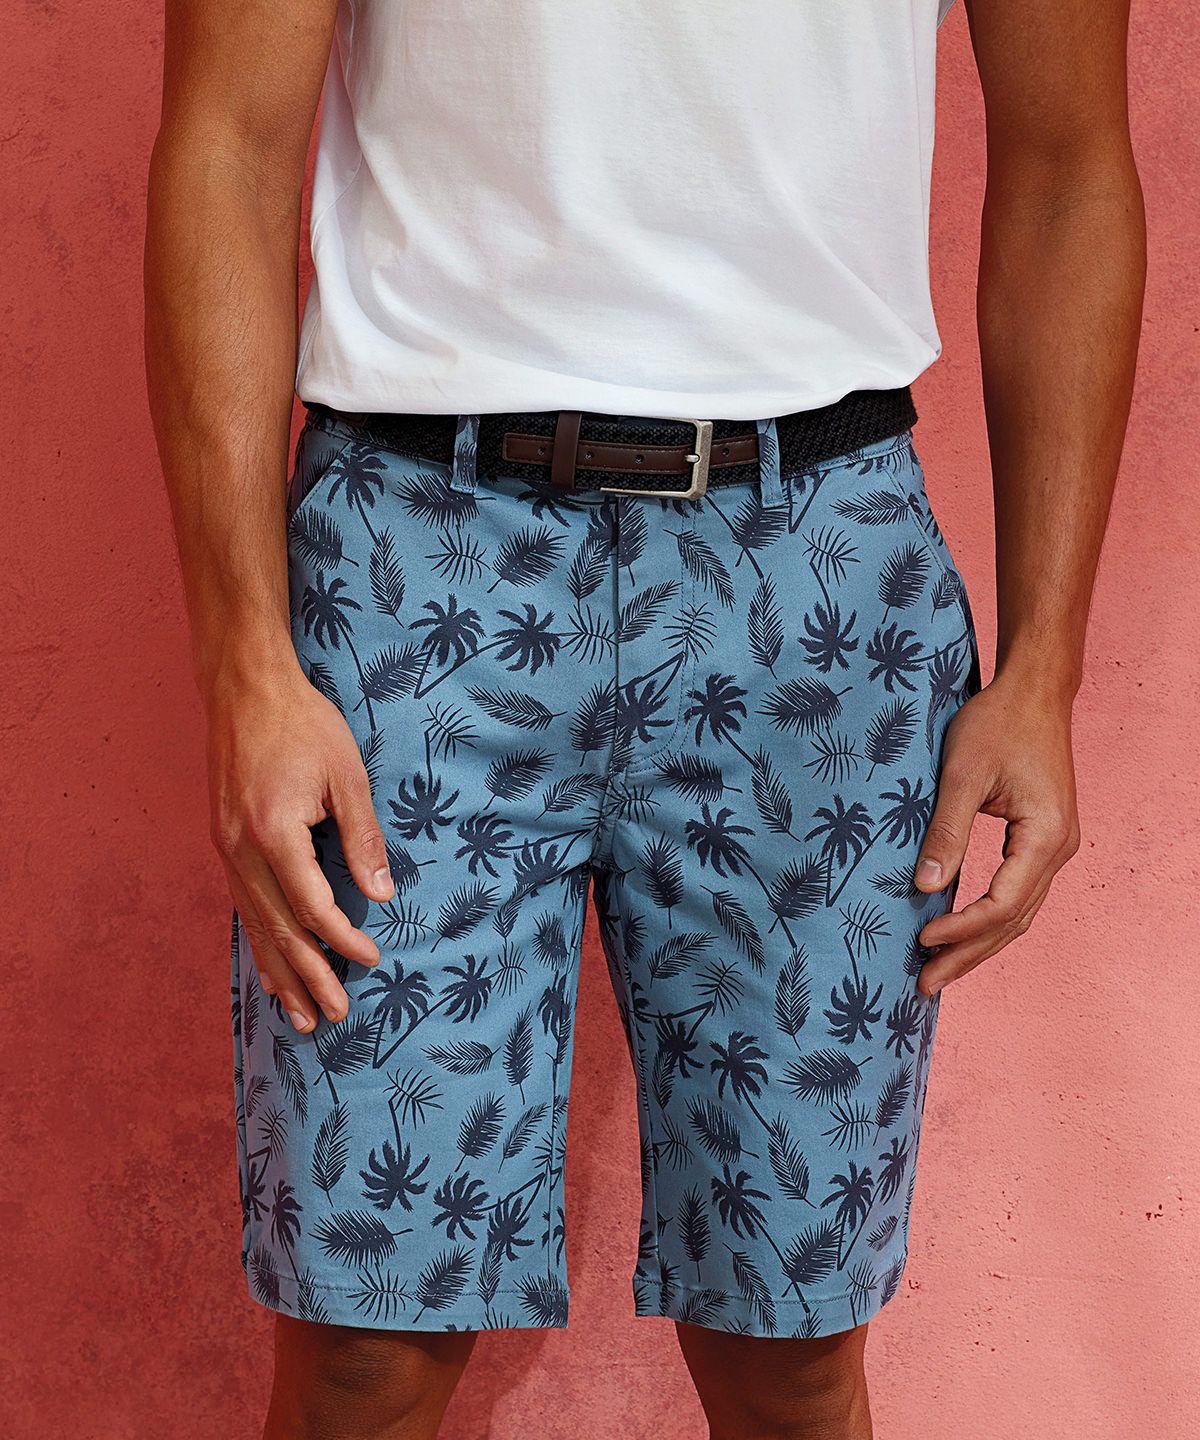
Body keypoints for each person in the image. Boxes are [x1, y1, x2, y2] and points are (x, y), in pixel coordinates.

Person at [144, 1, 1144, 1435]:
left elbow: (1070, 169)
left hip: (817, 570)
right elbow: (227, 147)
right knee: (366, 1349)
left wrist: (1047, 667)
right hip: (420, 562)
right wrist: (244, 660)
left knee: (794, 1349)